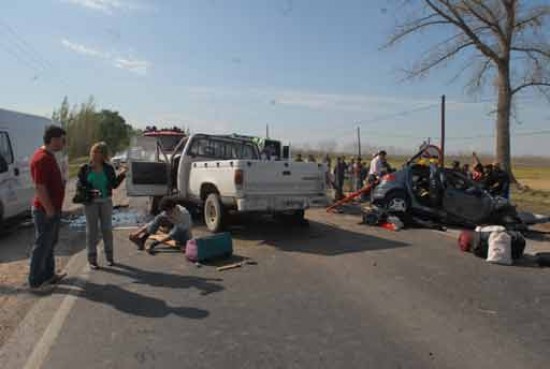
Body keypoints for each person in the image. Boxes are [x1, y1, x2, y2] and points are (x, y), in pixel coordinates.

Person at [28, 125, 67, 291]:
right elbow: (40, 187)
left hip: (51, 210)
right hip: (45, 211)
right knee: (42, 245)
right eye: (62, 140)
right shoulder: (42, 158)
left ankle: (49, 276)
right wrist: (50, 210)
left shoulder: (48, 156)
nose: (64, 144)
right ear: (54, 139)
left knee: (50, 244)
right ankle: (36, 282)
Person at [77, 142, 127, 269]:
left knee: (107, 230)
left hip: (105, 201)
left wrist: (123, 173)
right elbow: (79, 186)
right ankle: (92, 260)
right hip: (90, 203)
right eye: (94, 151)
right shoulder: (85, 168)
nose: (95, 154)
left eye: (98, 152)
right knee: (91, 231)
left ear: (103, 154)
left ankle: (110, 258)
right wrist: (88, 191)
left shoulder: (108, 168)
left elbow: (114, 184)